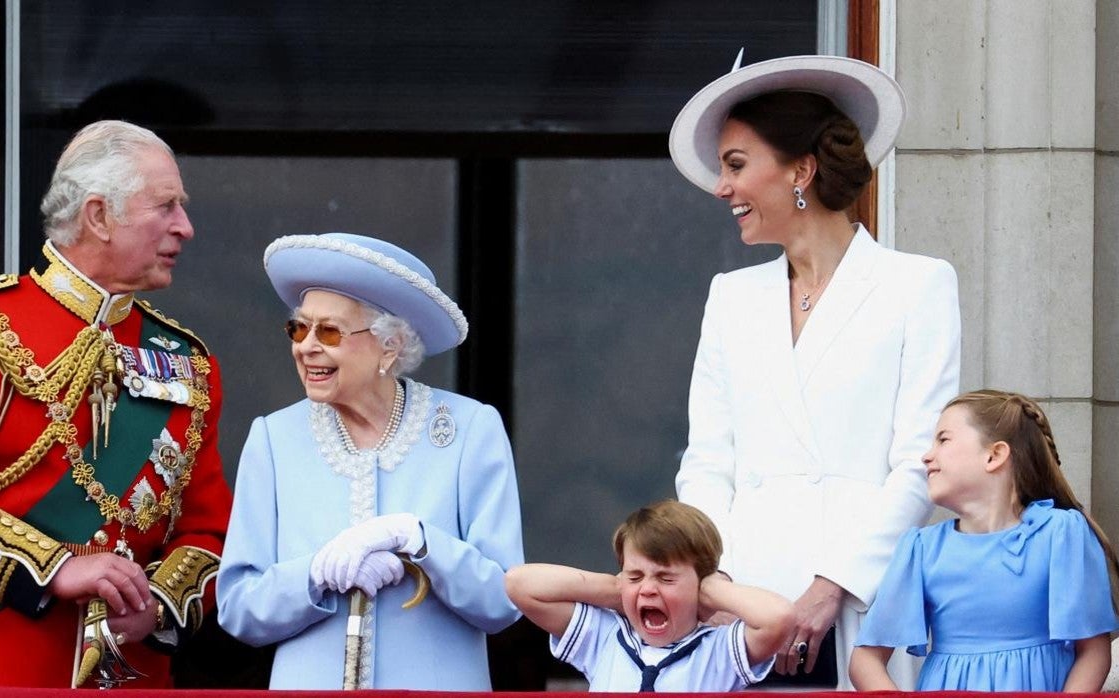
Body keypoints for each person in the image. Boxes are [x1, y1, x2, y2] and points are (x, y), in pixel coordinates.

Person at [0, 120, 233, 688]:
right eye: (167, 206)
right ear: (99, 216)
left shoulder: (189, 362)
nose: (185, 227)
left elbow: (211, 532)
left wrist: (159, 607)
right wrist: (58, 568)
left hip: (133, 670)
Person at [668, 55, 961, 689]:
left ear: (801, 169)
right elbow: (707, 463)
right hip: (741, 611)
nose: (722, 188)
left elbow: (919, 461)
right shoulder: (730, 296)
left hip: (863, 603)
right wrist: (716, 584)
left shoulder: (918, 285)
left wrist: (834, 585)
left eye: (737, 166)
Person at [216, 232, 524, 689]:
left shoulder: (469, 429)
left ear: (390, 346)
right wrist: (316, 573)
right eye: (299, 328)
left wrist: (420, 542)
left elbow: (503, 602)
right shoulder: (273, 439)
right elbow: (238, 608)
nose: (306, 346)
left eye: (330, 332)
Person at [850, 390, 1119, 691]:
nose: (927, 455)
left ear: (994, 455)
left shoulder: (1060, 533)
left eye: (943, 439)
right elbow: (865, 660)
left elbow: (1093, 653)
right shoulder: (922, 549)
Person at [505, 500, 793, 692]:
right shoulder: (605, 638)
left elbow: (779, 618)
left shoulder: (717, 652)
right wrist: (615, 592)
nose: (648, 589)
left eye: (666, 578)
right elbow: (519, 584)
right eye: (634, 575)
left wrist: (711, 590)